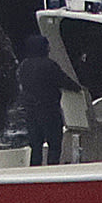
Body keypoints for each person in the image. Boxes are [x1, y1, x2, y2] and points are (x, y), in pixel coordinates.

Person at [13, 33, 72, 164]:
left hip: (31, 111)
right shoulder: (49, 65)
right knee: (54, 144)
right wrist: (80, 87)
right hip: (49, 109)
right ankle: (52, 168)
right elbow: (65, 81)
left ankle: (35, 170)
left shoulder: (24, 66)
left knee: (36, 145)